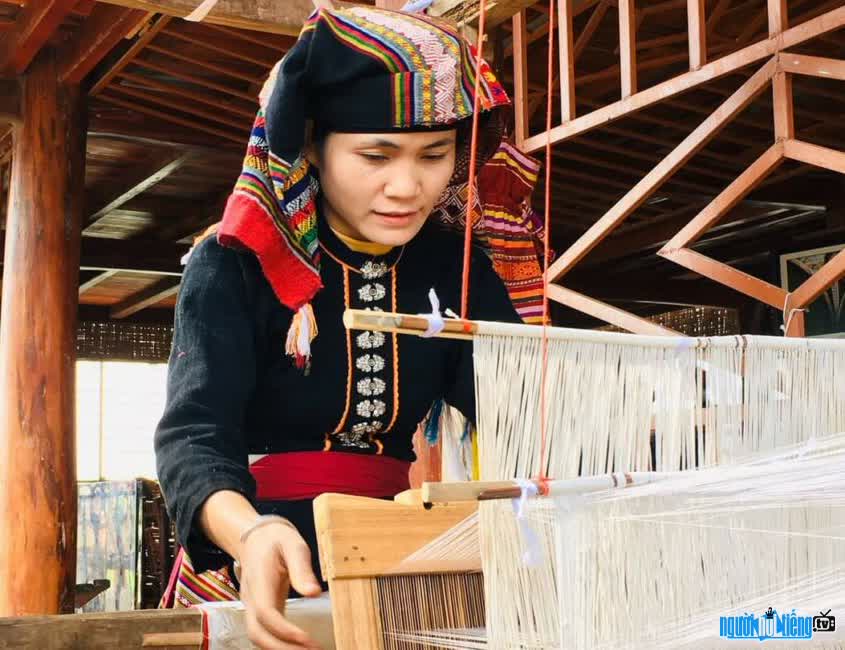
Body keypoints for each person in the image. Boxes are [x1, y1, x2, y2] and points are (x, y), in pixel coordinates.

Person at [154, 6, 535, 648]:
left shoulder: (454, 263)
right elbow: (194, 435)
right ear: (311, 145)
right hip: (260, 564)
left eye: (434, 155)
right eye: (375, 156)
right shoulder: (235, 259)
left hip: (398, 564)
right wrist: (249, 534)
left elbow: (522, 397)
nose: (407, 186)